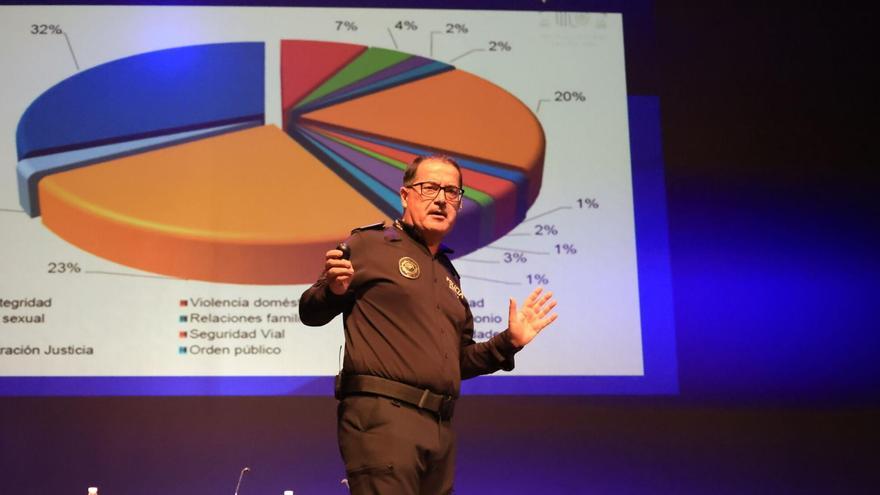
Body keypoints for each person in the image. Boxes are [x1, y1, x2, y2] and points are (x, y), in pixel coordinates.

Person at [299, 155, 558, 494]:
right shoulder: (369, 245)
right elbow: (310, 312)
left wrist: (509, 341)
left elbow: (459, 360)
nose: (440, 199)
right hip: (383, 417)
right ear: (405, 196)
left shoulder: (449, 275)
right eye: (430, 188)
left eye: (452, 192)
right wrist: (333, 291)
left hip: (439, 427)